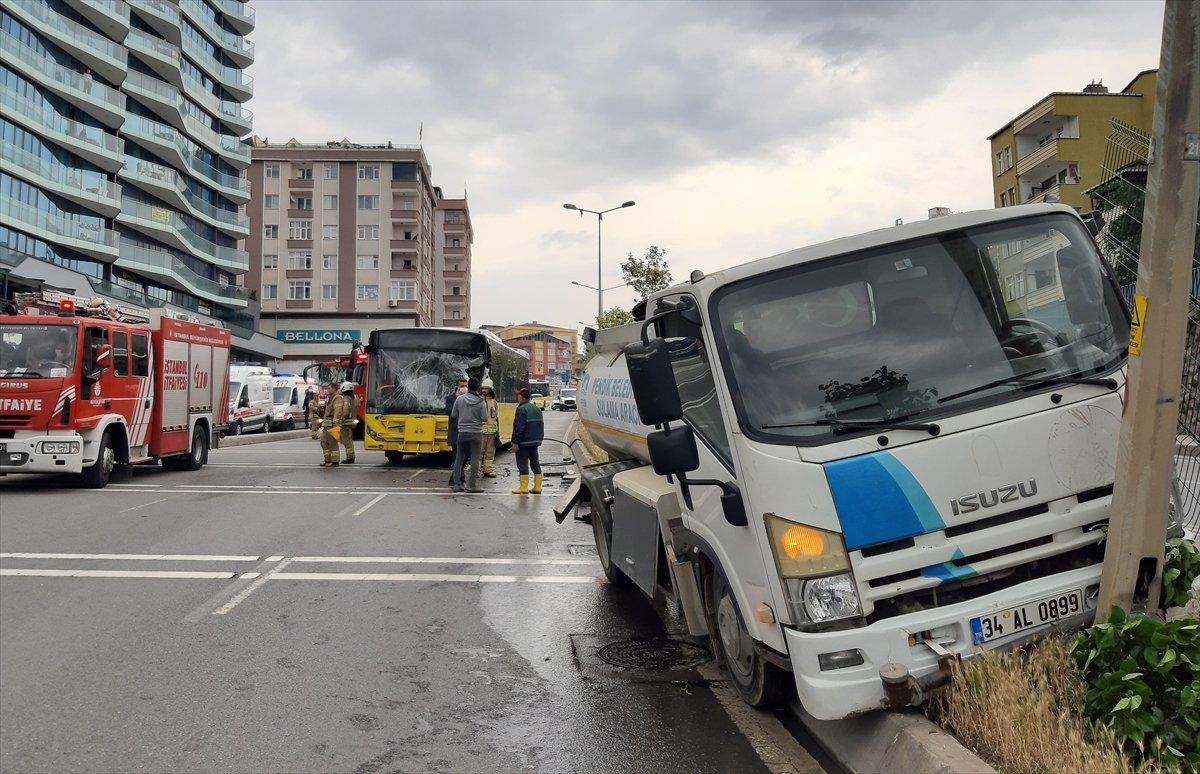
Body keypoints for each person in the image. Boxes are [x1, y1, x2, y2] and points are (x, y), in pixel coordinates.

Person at [449, 377, 487, 492]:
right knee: (475, 459)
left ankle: (457, 485)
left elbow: (454, 415)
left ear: (468, 387)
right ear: (478, 388)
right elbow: (484, 418)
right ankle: (472, 486)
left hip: (462, 433)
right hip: (476, 433)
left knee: (459, 458)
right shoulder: (481, 402)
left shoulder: (459, 399)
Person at [510, 387, 544, 494]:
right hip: (535, 442)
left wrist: (515, 442)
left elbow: (519, 427)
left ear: (522, 397)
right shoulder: (536, 408)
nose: (517, 397)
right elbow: (540, 425)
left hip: (523, 442)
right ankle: (537, 486)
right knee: (535, 463)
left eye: (518, 395)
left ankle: (523, 488)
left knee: (522, 464)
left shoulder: (521, 409)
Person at [320, 382, 354, 467]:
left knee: (332, 443)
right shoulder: (330, 398)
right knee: (323, 442)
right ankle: (327, 460)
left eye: (329, 388)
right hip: (326, 424)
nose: (328, 390)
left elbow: (338, 411)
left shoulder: (337, 398)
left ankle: (335, 461)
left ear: (335, 388)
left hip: (332, 424)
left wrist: (335, 423)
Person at [444, 376, 467, 484]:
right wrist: (457, 399)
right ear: (457, 387)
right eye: (462, 386)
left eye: (466, 386)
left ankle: (458, 476)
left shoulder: (469, 398)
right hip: (455, 433)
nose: (464, 388)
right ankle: (456, 479)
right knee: (457, 457)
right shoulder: (450, 398)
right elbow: (451, 413)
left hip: (466, 432)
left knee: (466, 457)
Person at [479, 378, 499, 478]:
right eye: (483, 388)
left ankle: (488, 470)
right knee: (479, 451)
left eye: (486, 388)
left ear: (491, 389)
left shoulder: (494, 402)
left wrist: (497, 432)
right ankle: (477, 470)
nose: (484, 390)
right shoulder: (479, 400)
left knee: (490, 452)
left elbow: (496, 417)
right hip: (480, 432)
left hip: (491, 432)